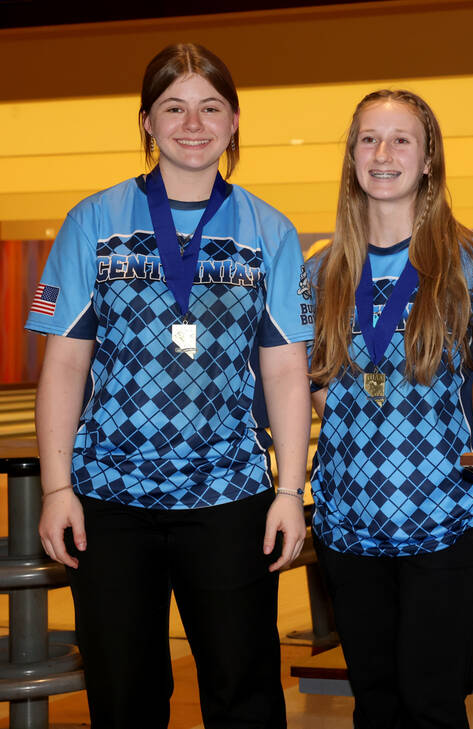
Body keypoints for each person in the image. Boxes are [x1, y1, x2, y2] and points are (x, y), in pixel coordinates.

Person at [29, 43, 311, 729]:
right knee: (123, 694)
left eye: (210, 107)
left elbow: (284, 368)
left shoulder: (268, 230)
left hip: (229, 492)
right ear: (147, 122)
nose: (193, 122)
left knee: (242, 690)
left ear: (235, 121)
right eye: (174, 107)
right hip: (109, 497)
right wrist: (58, 488)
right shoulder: (92, 221)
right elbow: (63, 363)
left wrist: (289, 493)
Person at [306, 89, 473, 729]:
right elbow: (304, 385)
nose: (383, 154)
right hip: (348, 527)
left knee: (433, 707)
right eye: (368, 139)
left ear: (429, 158)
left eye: (401, 139)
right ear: (352, 155)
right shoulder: (322, 271)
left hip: (445, 521)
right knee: (375, 709)